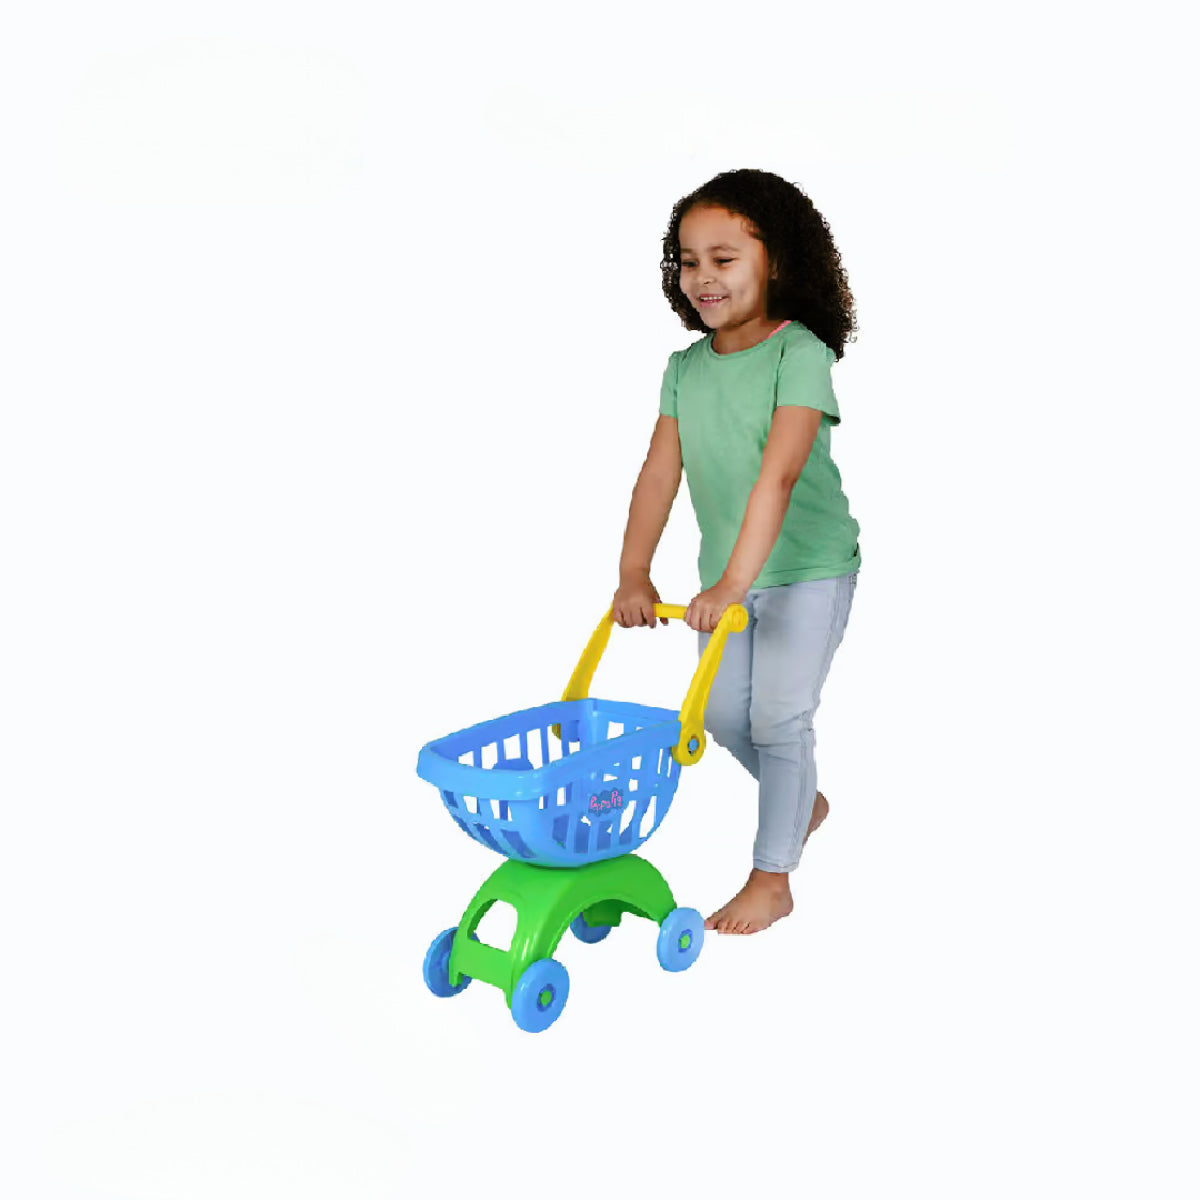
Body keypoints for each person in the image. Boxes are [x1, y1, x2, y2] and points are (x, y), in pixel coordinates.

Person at [612, 168, 861, 935]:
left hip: (806, 570)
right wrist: (633, 573)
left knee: (780, 721)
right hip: (725, 578)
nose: (703, 278)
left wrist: (733, 583)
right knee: (720, 717)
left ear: (777, 262)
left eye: (724, 259)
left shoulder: (798, 354)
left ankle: (771, 878)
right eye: (690, 261)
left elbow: (778, 476)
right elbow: (659, 475)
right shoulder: (685, 369)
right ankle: (801, 800)